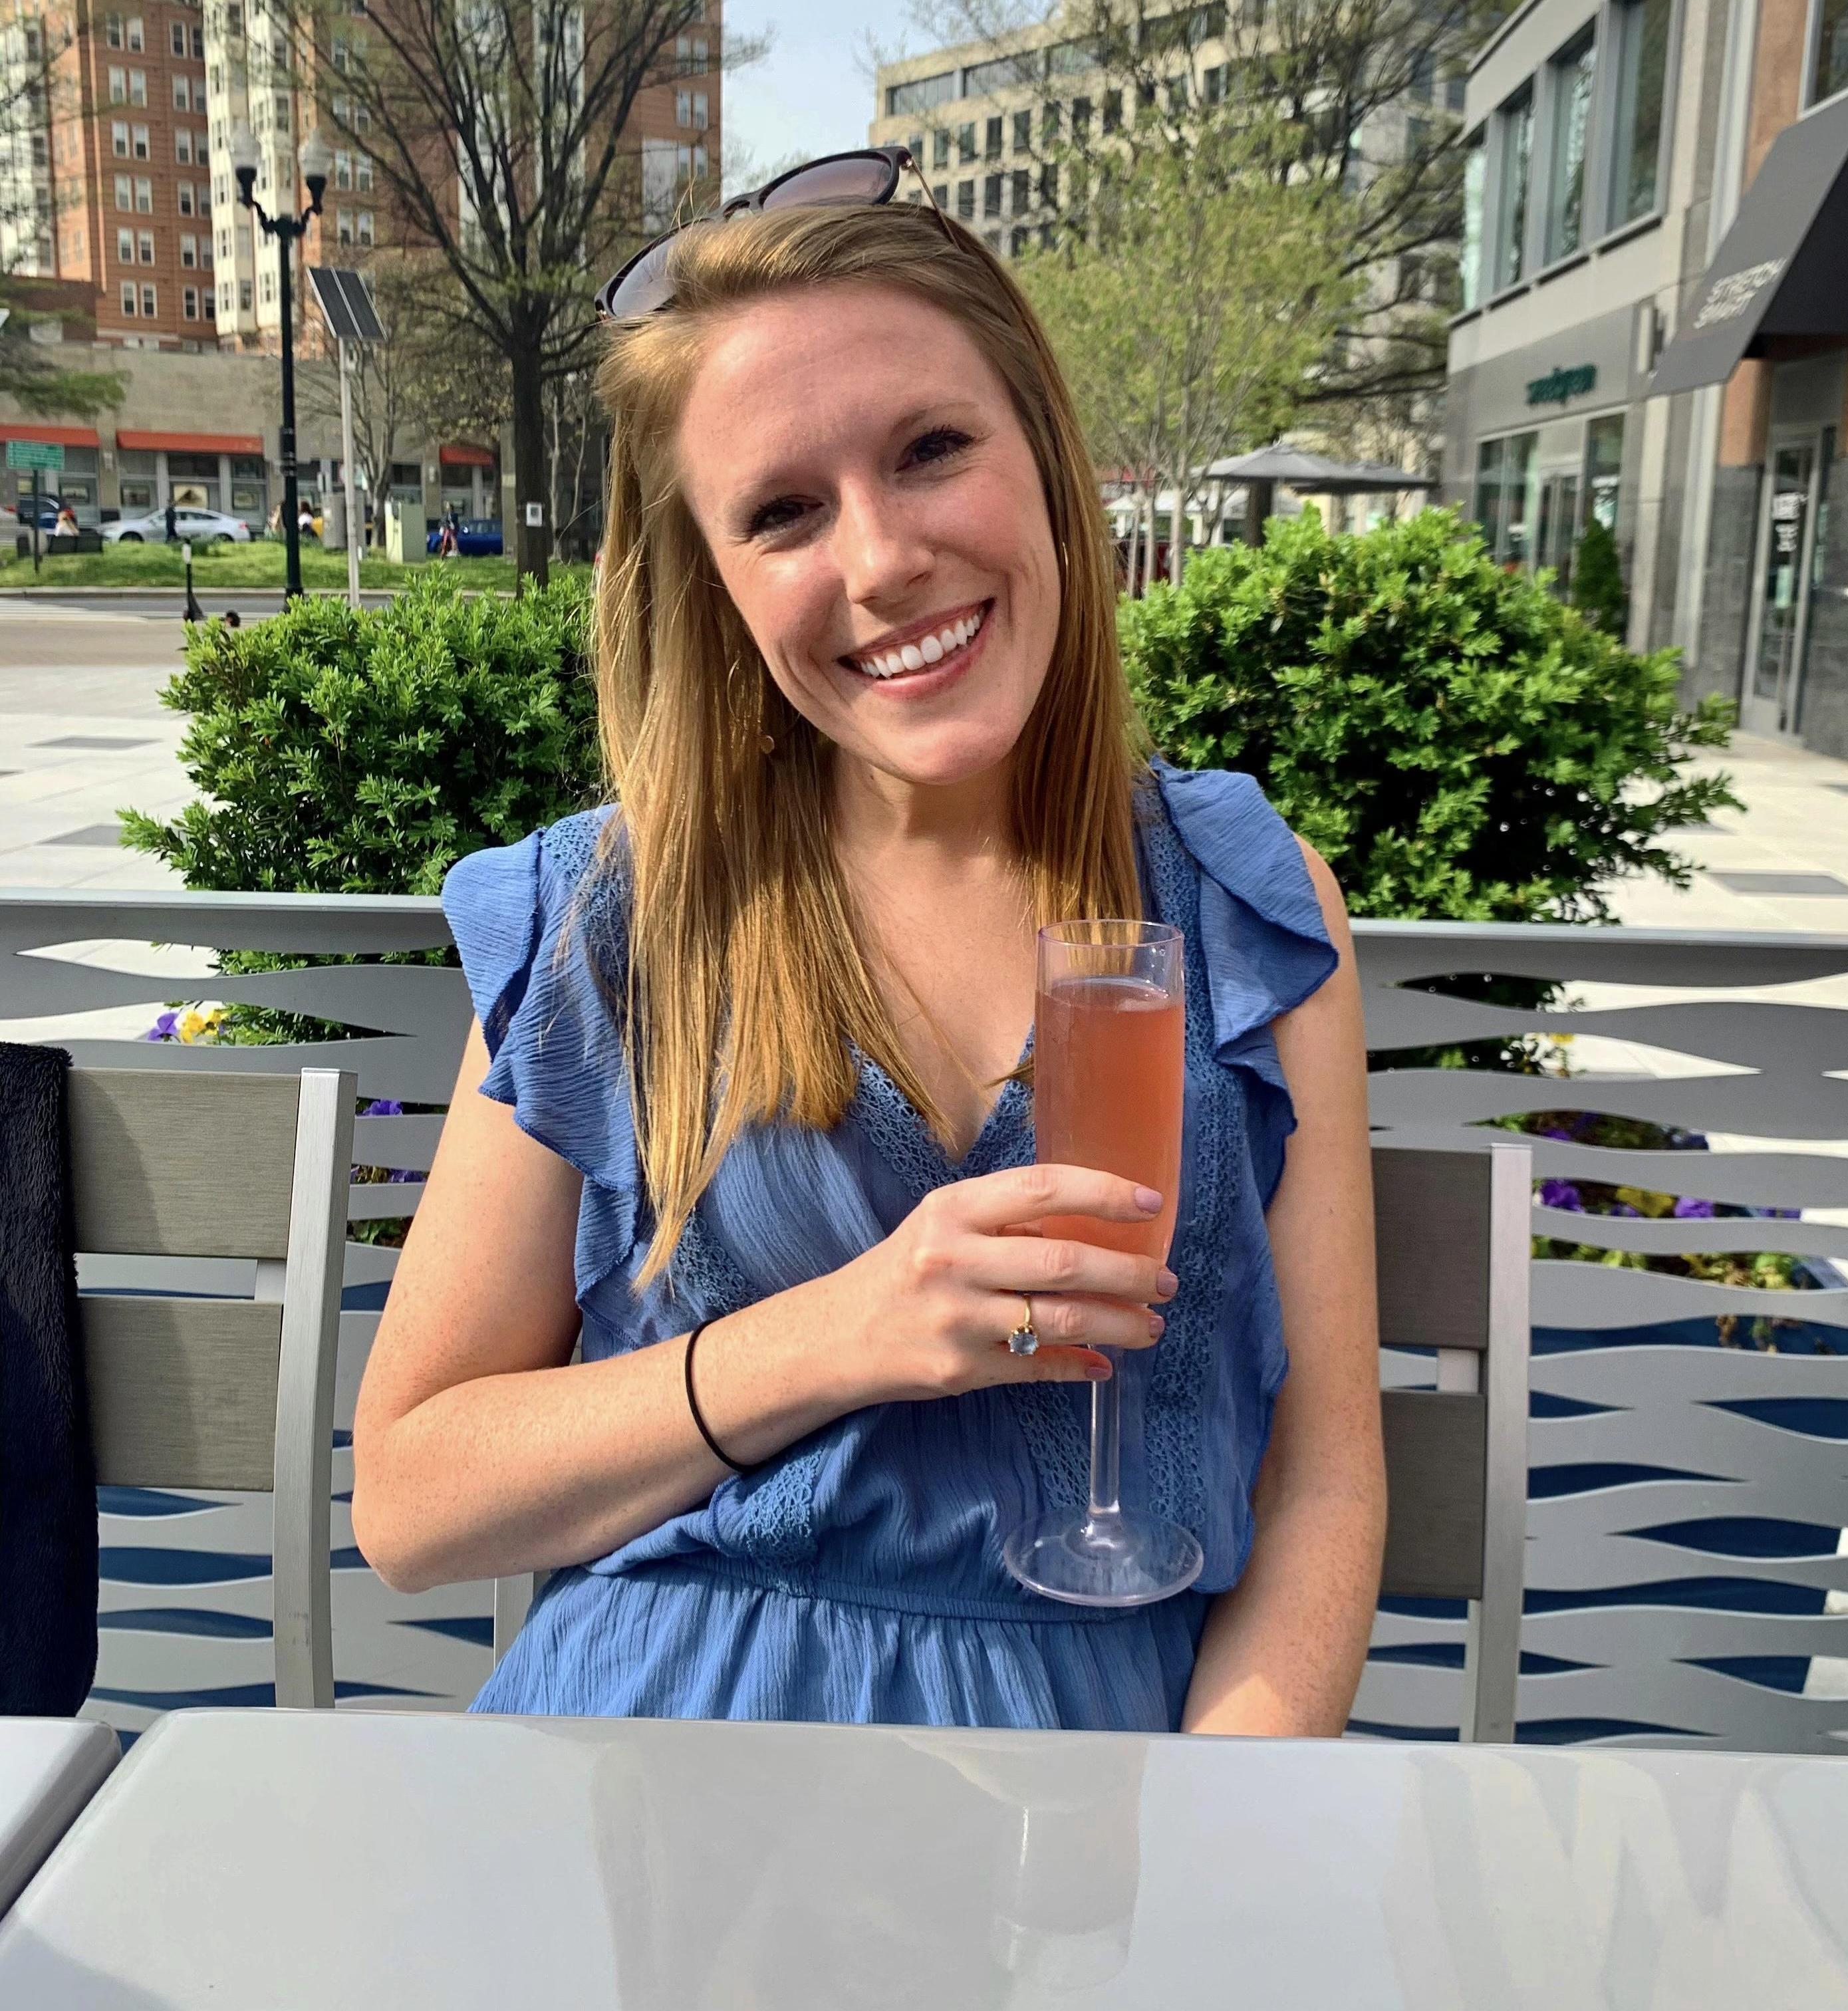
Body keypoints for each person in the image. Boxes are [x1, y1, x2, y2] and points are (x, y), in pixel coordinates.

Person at [350, 160, 1384, 1737]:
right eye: (783, 513)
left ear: (1043, 456)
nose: (883, 558)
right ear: (714, 586)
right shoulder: (612, 919)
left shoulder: (1244, 905)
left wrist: (1207, 1837)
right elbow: (412, 1504)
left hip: (1098, 1791)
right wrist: (832, 1337)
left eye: (931, 450)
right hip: (652, 1763)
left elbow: (1322, 1487)